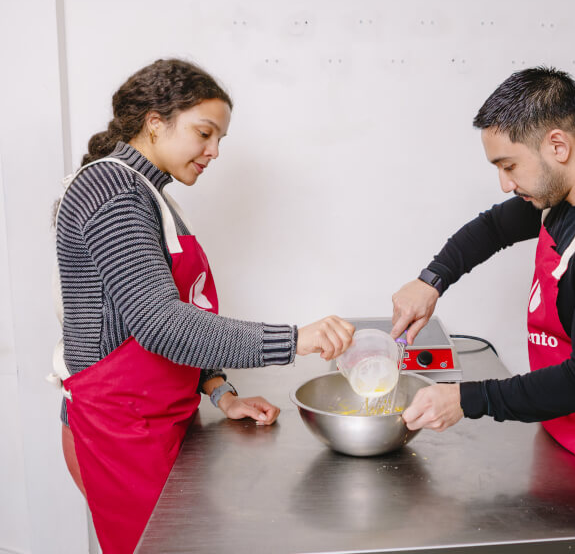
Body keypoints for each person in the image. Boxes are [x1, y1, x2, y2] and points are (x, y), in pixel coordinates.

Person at [50, 58, 355, 554]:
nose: (214, 152)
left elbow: (174, 310)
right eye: (204, 133)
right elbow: (160, 324)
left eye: (220, 140)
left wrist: (219, 391)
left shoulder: (151, 194)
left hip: (154, 419)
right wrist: (296, 339)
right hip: (118, 430)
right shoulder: (112, 191)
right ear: (155, 122)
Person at [390, 67, 575, 554]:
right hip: (561, 435)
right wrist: (430, 281)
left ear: (557, 145)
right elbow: (491, 229)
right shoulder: (562, 194)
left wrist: (464, 398)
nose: (505, 185)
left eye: (509, 165)